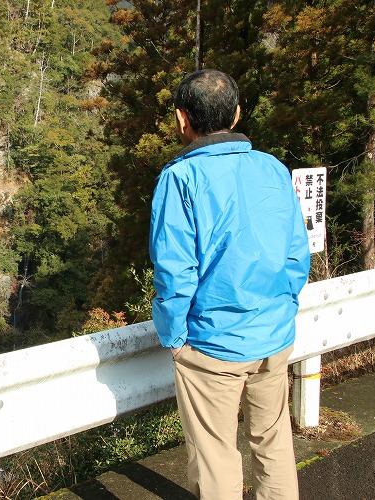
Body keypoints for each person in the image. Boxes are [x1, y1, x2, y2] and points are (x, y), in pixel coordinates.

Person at [149, 69, 310, 500]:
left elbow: (174, 270)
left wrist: (175, 337)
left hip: (211, 345)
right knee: (273, 443)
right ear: (237, 114)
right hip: (274, 335)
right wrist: (284, 307)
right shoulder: (274, 169)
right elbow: (297, 252)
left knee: (216, 456)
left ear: (182, 119)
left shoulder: (180, 178)